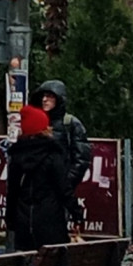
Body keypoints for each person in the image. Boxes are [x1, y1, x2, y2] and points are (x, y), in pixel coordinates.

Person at [6, 104, 72, 252]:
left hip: (24, 223)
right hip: (51, 222)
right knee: (54, 263)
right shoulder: (53, 154)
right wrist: (76, 213)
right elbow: (63, 188)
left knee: (26, 262)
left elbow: (12, 192)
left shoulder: (17, 156)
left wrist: (10, 219)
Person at [38, 79, 89, 234]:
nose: (44, 100)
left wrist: (66, 182)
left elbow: (81, 158)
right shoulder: (37, 122)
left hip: (59, 191)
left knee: (55, 232)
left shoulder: (70, 124)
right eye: (43, 96)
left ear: (59, 99)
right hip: (38, 191)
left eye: (50, 96)